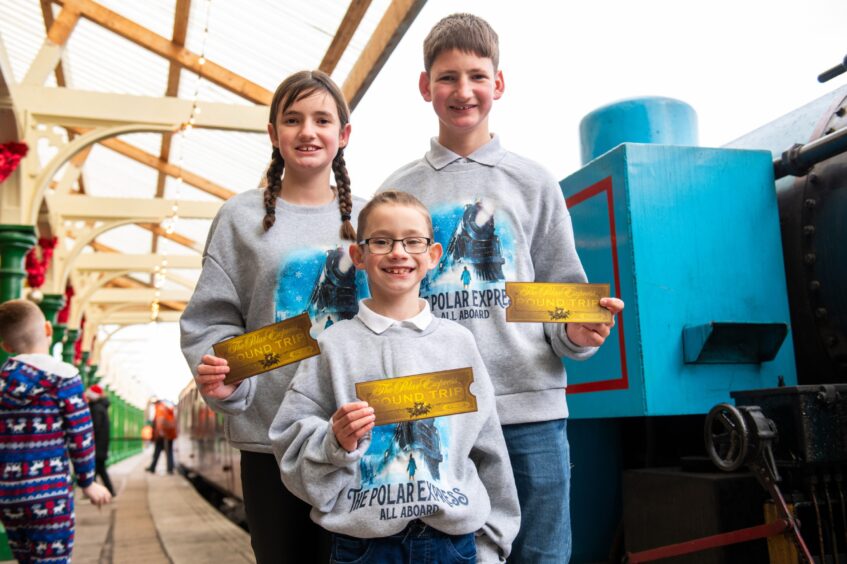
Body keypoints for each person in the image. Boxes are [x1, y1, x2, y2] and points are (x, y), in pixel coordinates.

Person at [379, 14, 625, 562]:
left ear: (499, 84)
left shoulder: (534, 181)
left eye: (476, 76)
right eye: (446, 77)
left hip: (530, 411)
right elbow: (384, 311)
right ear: (425, 87)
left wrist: (580, 335)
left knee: (543, 555)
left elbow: (563, 295)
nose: (462, 91)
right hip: (435, 414)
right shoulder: (397, 190)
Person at [270, 191, 520, 563]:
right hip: (364, 548)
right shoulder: (332, 346)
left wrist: (493, 543)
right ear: (358, 256)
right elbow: (288, 440)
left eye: (412, 241)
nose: (398, 252)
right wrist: (333, 441)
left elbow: (489, 447)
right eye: (381, 241)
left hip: (453, 543)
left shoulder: (459, 343)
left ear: (434, 255)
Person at [180, 69, 368, 564]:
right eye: (293, 119)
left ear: (343, 135)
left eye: (322, 119)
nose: (308, 131)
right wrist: (225, 377)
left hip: (357, 439)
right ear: (273, 134)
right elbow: (210, 321)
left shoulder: (372, 221)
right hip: (270, 442)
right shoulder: (238, 219)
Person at [0, 299, 111, 563]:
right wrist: (87, 482)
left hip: (7, 496)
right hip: (50, 495)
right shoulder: (65, 377)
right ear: (48, 329)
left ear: (6, 347)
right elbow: (80, 435)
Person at [85, 384, 115, 495]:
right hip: (101, 446)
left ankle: (93, 492)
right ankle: (110, 491)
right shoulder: (101, 407)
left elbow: (94, 428)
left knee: (95, 471)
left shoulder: (96, 409)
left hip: (97, 446)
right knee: (100, 470)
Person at [146, 399, 176, 474]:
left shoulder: (160, 408)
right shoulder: (166, 407)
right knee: (167, 451)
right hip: (169, 433)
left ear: (156, 403)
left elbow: (160, 420)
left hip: (163, 434)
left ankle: (155, 467)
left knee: (161, 451)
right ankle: (169, 468)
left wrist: (159, 432)